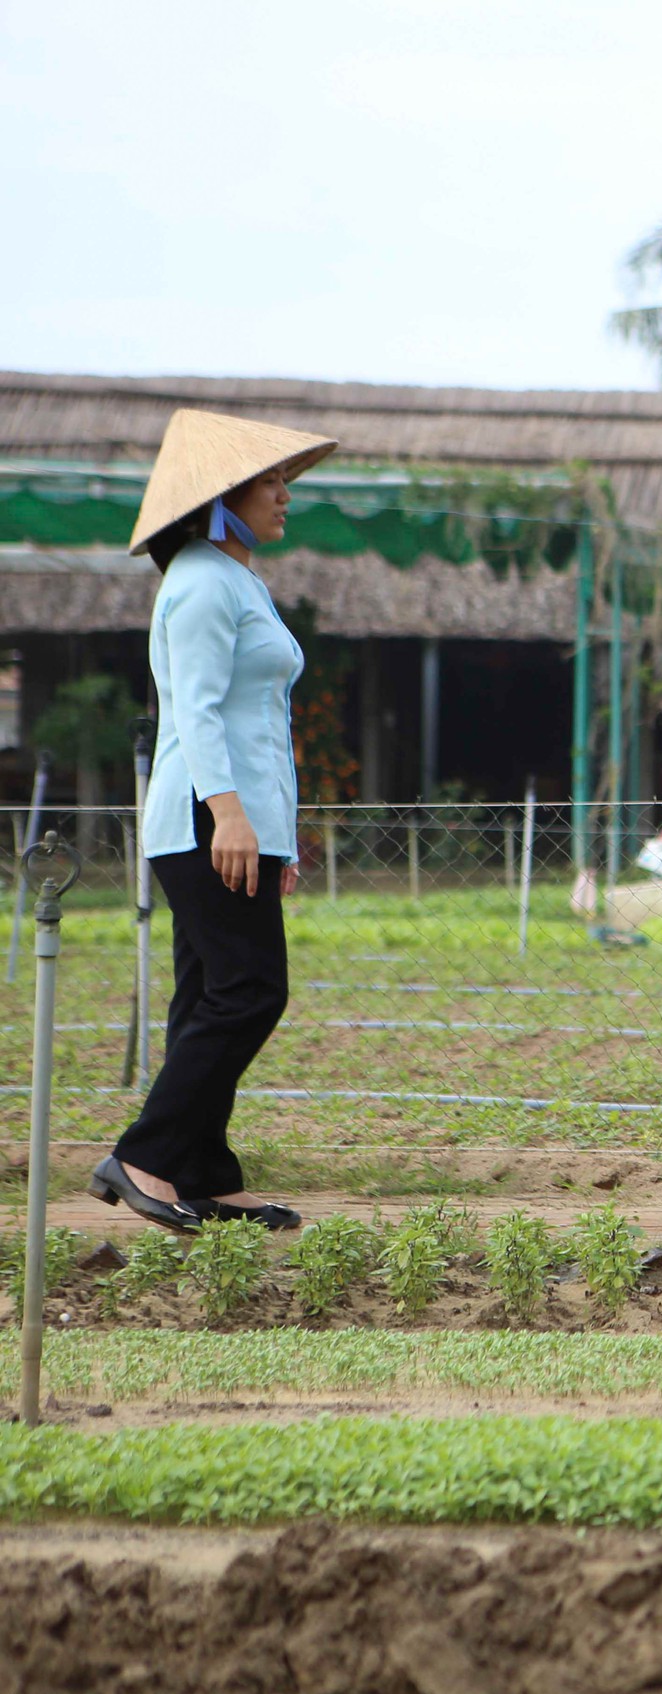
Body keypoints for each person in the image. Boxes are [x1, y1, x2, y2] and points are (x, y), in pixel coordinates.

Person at [88, 409, 339, 1235]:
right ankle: (144, 1154)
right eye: (271, 483)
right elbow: (193, 712)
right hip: (204, 817)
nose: (285, 497)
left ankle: (201, 1169)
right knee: (250, 991)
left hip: (239, 822)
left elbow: (261, 720)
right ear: (221, 498)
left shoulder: (236, 578)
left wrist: (279, 835)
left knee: (208, 997)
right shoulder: (197, 581)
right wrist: (230, 816)